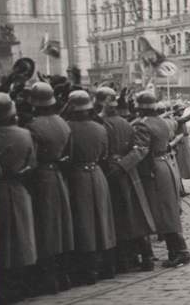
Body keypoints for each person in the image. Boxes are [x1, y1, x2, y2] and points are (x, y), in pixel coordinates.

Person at [99, 87, 156, 273]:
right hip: (129, 173)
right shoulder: (127, 124)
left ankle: (124, 259)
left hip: (110, 174)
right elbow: (139, 149)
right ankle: (145, 255)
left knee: (117, 216)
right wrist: (125, 165)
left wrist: (115, 166)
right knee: (134, 214)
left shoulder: (101, 124)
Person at [63, 90, 117, 284]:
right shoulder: (99, 128)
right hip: (97, 175)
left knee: (83, 220)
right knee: (102, 218)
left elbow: (66, 155)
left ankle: (88, 269)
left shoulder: (67, 128)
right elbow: (104, 153)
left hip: (77, 176)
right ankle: (107, 265)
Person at [25, 82, 74, 294]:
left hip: (40, 177)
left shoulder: (32, 127)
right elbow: (69, 153)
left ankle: (48, 278)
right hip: (58, 175)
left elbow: (31, 159)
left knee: (44, 225)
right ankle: (64, 274)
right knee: (61, 223)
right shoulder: (63, 123)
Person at [132, 91, 190, 268]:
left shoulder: (141, 125)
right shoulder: (164, 122)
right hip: (167, 165)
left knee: (155, 211)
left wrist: (121, 166)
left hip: (152, 169)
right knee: (168, 210)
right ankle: (178, 250)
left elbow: (141, 150)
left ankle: (179, 252)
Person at [0, 93, 37, 303]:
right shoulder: (25, 135)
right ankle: (20, 284)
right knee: (21, 237)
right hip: (19, 189)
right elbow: (32, 163)